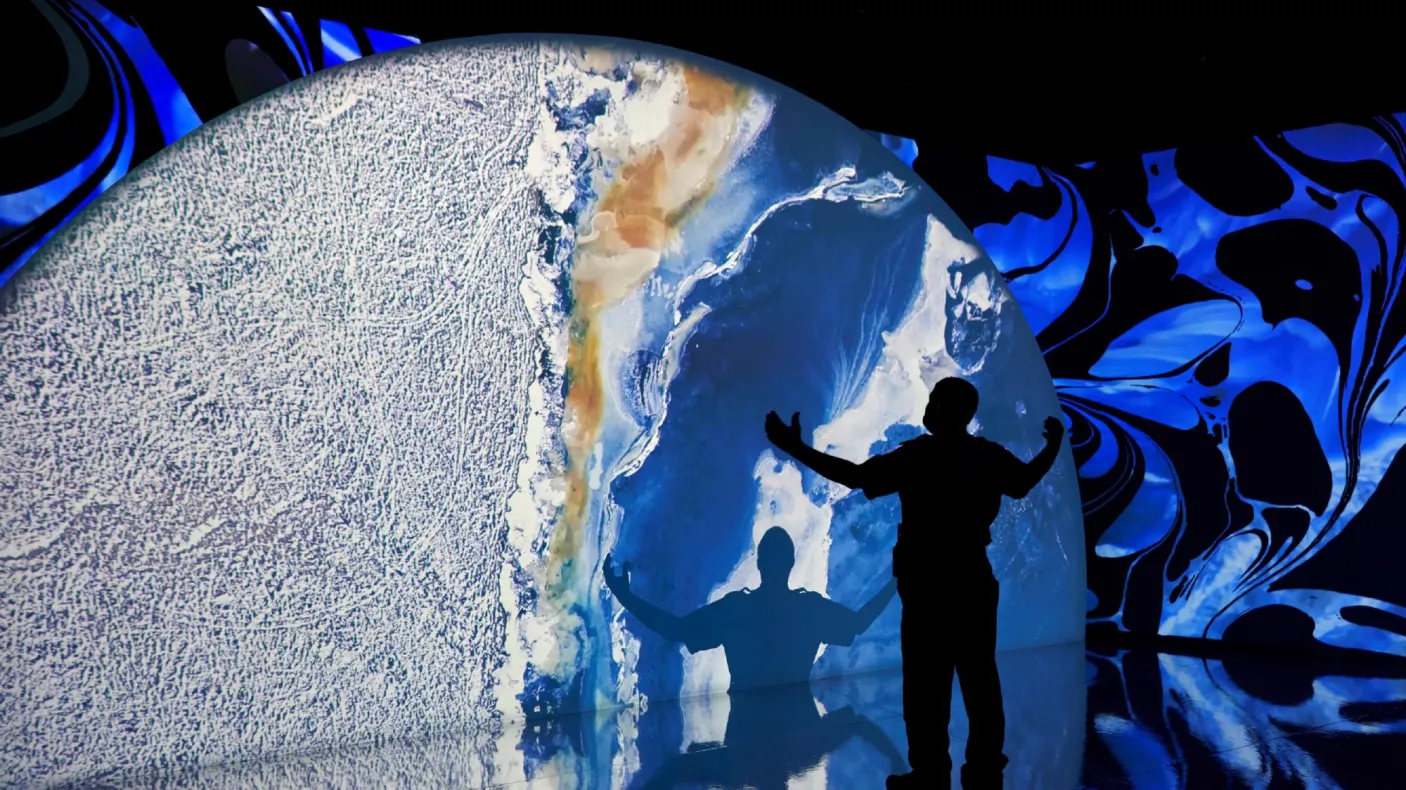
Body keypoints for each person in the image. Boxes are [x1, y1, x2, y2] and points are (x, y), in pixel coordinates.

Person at [763, 376, 1064, 789]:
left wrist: (795, 448)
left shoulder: (919, 457)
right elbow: (1024, 481)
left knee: (926, 686)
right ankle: (984, 769)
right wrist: (1052, 447)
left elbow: (852, 476)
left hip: (928, 589)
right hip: (973, 581)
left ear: (944, 410)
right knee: (980, 681)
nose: (928, 405)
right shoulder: (986, 456)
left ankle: (930, 772)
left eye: (935, 400)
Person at [602, 526, 896, 693]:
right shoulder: (809, 609)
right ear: (791, 564)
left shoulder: (736, 610)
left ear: (759, 563)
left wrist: (625, 597)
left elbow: (676, 629)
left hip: (744, 728)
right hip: (797, 729)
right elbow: (859, 623)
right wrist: (896, 582)